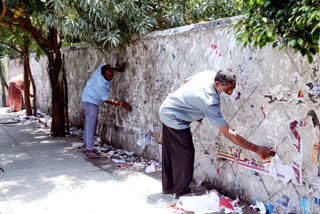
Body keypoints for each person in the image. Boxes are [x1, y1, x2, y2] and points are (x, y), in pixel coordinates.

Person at [158, 69, 274, 197]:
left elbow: (186, 81)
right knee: (186, 153)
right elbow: (228, 133)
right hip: (174, 117)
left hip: (167, 107)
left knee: (171, 151)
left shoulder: (208, 74)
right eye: (227, 90)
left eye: (232, 89)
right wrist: (255, 148)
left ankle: (169, 187)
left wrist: (193, 105)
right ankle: (181, 191)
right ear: (217, 84)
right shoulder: (210, 101)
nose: (230, 93)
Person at [81, 64, 133, 158]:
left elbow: (107, 67)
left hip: (87, 96)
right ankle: (89, 150)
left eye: (112, 74)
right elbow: (106, 100)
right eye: (109, 76)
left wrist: (119, 69)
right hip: (91, 101)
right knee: (91, 125)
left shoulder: (101, 68)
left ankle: (86, 146)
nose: (111, 77)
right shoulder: (100, 85)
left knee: (88, 123)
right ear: (103, 75)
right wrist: (122, 104)